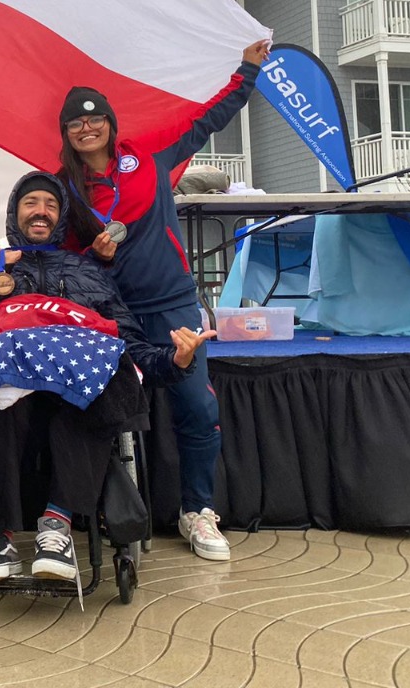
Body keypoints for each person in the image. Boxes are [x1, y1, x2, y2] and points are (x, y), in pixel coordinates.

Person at [0, 172, 211, 588]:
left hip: (75, 388)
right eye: (31, 203)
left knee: (110, 382)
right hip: (8, 387)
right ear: (15, 213)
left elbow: (128, 343)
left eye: (50, 204)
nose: (40, 211)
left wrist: (175, 361)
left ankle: (57, 527)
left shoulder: (88, 272)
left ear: (61, 215)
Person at [55, 39, 270, 561]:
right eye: (75, 124)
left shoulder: (150, 157)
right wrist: (94, 253)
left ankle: (197, 511)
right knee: (104, 414)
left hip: (173, 304)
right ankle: (105, 512)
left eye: (95, 119)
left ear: (109, 121)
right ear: (65, 134)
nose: (87, 129)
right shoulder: (64, 187)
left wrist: (247, 72)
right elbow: (62, 262)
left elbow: (210, 117)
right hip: (112, 316)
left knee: (196, 406)